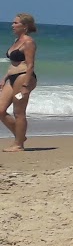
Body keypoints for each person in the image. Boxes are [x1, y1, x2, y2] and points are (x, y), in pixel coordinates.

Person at [0, 12, 38, 152]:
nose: (12, 25)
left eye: (16, 23)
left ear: (25, 26)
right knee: (1, 110)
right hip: (12, 78)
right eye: (13, 22)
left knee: (19, 112)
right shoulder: (16, 41)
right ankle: (20, 136)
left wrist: (25, 86)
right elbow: (14, 64)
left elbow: (30, 65)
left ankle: (18, 144)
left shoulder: (28, 42)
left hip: (24, 78)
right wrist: (4, 78)